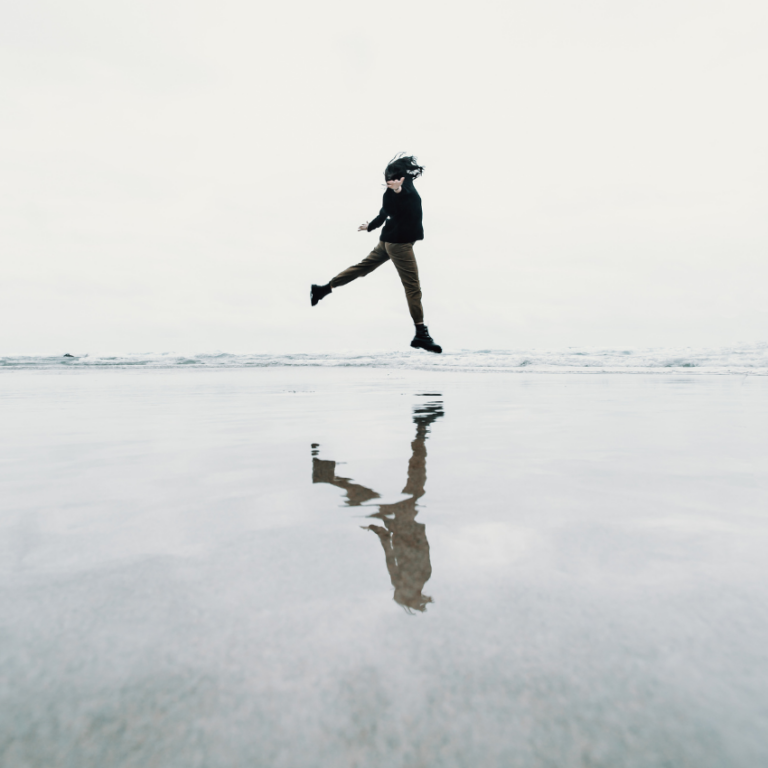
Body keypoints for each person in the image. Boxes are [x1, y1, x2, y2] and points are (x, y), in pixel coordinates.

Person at [310, 154, 442, 354]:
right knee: (413, 287)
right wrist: (397, 190)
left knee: (362, 268)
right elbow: (397, 199)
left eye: (395, 177)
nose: (391, 181)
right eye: (390, 179)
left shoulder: (405, 184)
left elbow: (383, 214)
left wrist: (370, 226)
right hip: (399, 245)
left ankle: (323, 289)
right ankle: (421, 334)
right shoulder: (396, 192)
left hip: (388, 240)